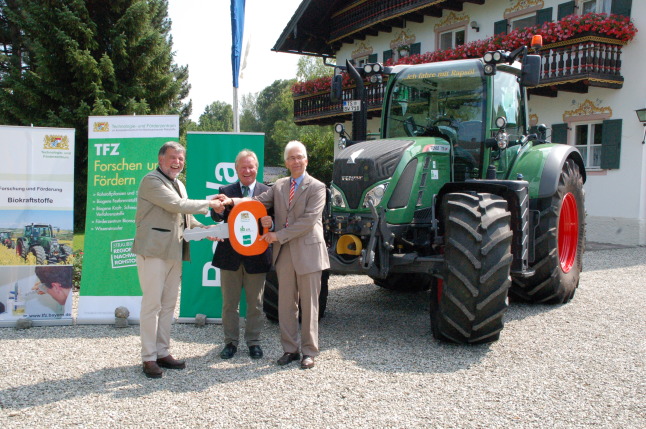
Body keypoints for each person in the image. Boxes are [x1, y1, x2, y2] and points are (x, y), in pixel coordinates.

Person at [219, 140, 329, 370]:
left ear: (306, 160)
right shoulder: (279, 186)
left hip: (308, 252)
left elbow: (308, 221)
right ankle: (290, 349)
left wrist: (277, 235)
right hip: (285, 254)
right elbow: (255, 202)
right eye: (291, 158)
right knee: (286, 305)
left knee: (309, 306)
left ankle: (309, 352)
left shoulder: (317, 187)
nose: (296, 161)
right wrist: (231, 201)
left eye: (300, 157)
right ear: (286, 162)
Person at [131, 141, 223, 379]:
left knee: (169, 305)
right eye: (173, 157)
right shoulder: (151, 181)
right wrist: (210, 204)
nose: (177, 162)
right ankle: (148, 357)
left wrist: (205, 230)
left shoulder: (178, 183)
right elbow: (176, 205)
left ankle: (163, 352)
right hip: (152, 251)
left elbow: (184, 217)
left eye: (181, 159)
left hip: (174, 252)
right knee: (152, 306)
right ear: (161, 159)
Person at [210, 150, 272, 360]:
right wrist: (218, 210)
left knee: (255, 303)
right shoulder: (224, 191)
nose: (247, 170)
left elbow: (274, 221)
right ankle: (230, 343)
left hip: (257, 257)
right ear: (236, 169)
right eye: (243, 167)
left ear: (257, 168)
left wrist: (270, 223)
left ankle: (254, 342)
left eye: (251, 166)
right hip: (230, 257)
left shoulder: (268, 192)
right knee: (229, 304)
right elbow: (216, 216)